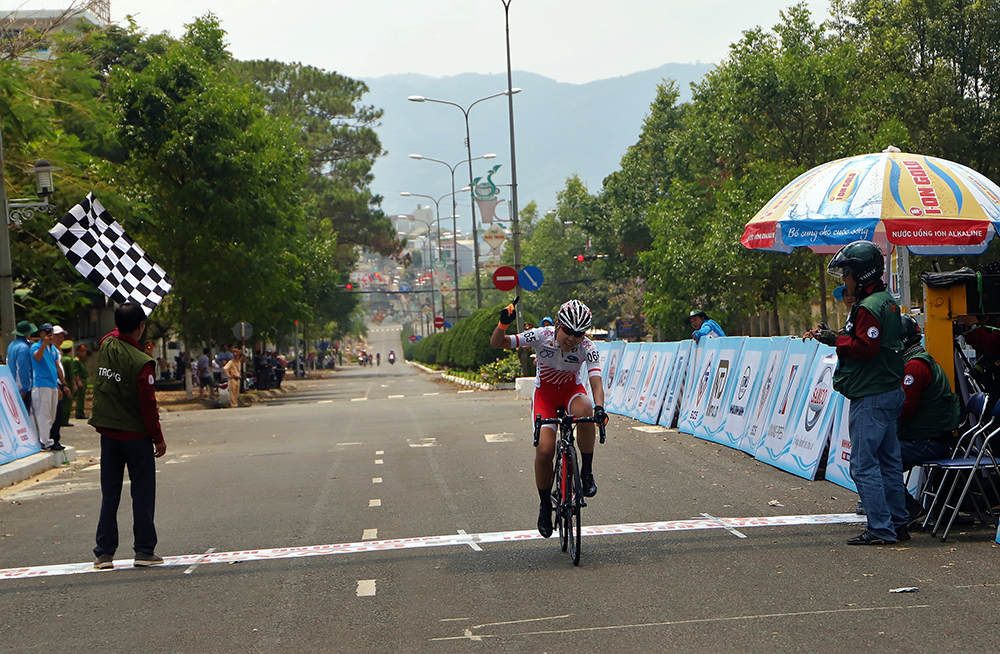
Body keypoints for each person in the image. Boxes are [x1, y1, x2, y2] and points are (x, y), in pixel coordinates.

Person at [805, 240, 907, 545]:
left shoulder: (869, 306)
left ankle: (880, 528)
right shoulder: (886, 300)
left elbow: (865, 347)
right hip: (888, 390)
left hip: (872, 393)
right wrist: (834, 337)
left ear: (862, 274)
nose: (845, 280)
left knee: (862, 465)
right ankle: (898, 523)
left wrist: (834, 341)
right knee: (889, 462)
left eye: (848, 274)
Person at [490, 299, 606, 538]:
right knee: (544, 451)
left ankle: (587, 471)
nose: (572, 338)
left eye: (579, 334)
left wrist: (600, 408)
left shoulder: (588, 347)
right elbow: (498, 343)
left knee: (586, 411)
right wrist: (503, 324)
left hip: (572, 393)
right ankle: (545, 505)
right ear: (558, 325)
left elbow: (595, 381)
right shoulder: (540, 336)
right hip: (545, 396)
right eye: (568, 331)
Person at [91, 302, 167, 569]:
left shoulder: (107, 346)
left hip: (109, 435)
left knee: (110, 494)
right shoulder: (142, 363)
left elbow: (111, 334)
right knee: (143, 493)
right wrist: (158, 438)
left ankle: (104, 554)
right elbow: (148, 406)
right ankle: (144, 551)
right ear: (141, 327)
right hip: (135, 438)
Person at [896, 314, 961, 521]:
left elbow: (904, 409)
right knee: (875, 457)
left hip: (928, 441)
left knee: (876, 459)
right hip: (926, 437)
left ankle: (908, 509)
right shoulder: (915, 360)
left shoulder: (914, 367)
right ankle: (896, 508)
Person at [30, 323, 65, 451]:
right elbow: (37, 357)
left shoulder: (53, 350)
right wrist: (44, 344)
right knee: (43, 414)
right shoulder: (36, 347)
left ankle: (47, 438)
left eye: (50, 332)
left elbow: (56, 365)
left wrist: (62, 384)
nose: (48, 335)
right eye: (46, 332)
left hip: (52, 384)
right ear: (41, 334)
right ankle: (45, 441)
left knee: (51, 414)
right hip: (41, 384)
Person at [7, 320, 36, 414]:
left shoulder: (12, 345)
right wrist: (24, 388)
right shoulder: (23, 348)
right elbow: (22, 369)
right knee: (24, 415)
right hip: (22, 387)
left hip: (12, 384)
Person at [74, 344, 89, 419]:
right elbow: (76, 372)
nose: (83, 353)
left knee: (82, 397)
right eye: (81, 351)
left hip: (84, 379)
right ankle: (79, 413)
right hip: (80, 380)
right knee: (79, 398)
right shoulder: (76, 361)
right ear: (78, 352)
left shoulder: (83, 360)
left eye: (84, 351)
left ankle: (81, 412)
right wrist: (78, 381)